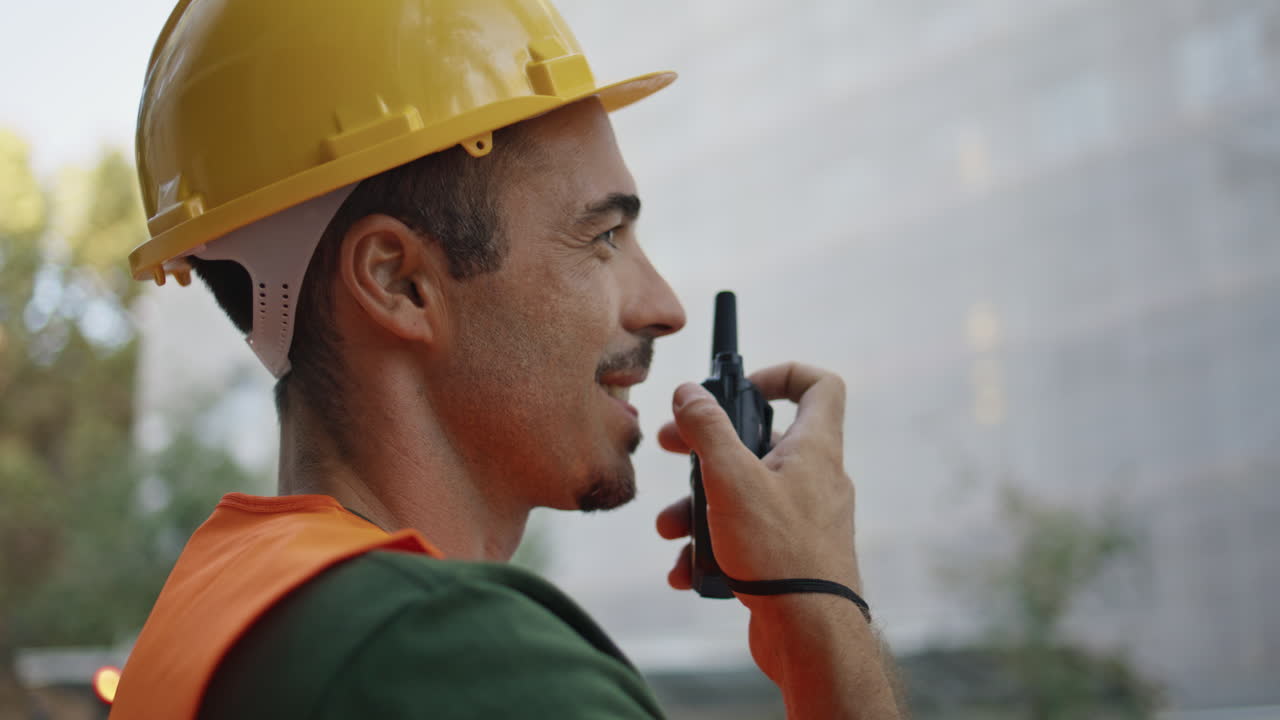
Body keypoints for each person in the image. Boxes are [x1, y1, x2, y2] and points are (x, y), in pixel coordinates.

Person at [109, 1, 904, 718]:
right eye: (601, 238)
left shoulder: (218, 609)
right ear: (399, 282)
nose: (664, 305)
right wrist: (827, 612)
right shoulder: (454, 658)